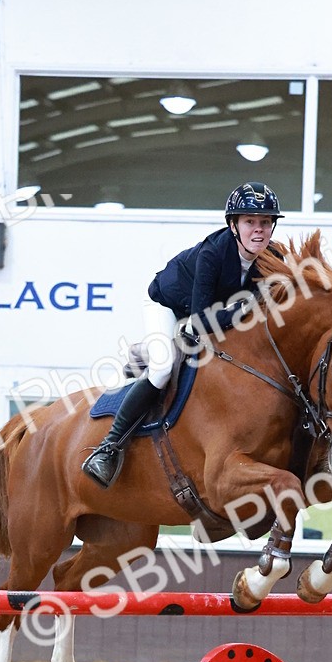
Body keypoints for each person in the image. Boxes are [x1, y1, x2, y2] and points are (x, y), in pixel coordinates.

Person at [81, 181, 284, 489]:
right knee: (163, 369)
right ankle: (108, 448)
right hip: (169, 305)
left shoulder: (273, 258)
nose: (259, 230)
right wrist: (248, 309)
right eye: (250, 222)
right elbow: (202, 321)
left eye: (266, 222)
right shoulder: (213, 254)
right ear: (233, 225)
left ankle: (149, 353)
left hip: (209, 313)